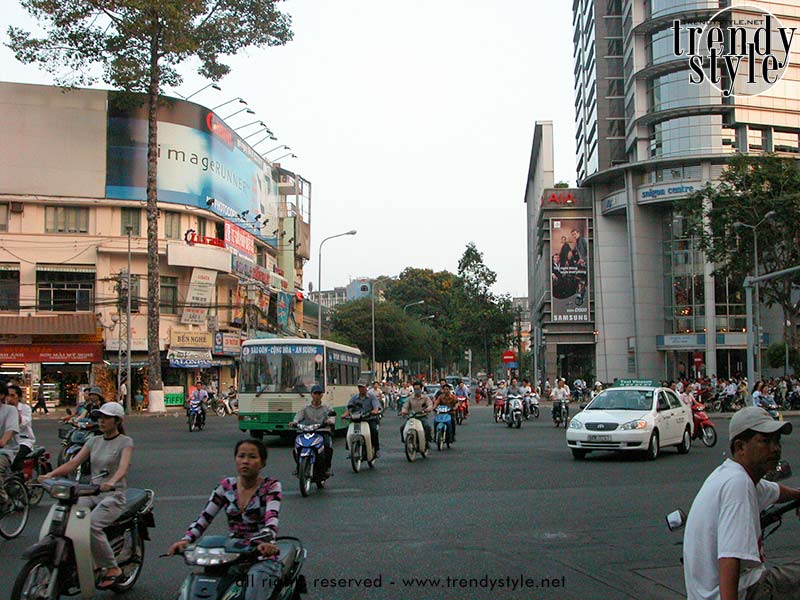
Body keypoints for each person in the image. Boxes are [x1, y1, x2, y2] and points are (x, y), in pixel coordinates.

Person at [683, 407, 800, 600]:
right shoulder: (738, 484)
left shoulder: (731, 475)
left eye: (777, 441)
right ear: (740, 447)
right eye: (765, 441)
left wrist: (797, 496)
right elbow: (730, 558)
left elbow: (775, 491)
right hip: (748, 592)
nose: (775, 448)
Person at [168, 439, 282, 600]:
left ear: (262, 463)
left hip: (261, 555)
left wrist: (264, 543)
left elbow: (271, 521)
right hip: (230, 553)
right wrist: (186, 539)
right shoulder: (226, 486)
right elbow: (204, 518)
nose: (245, 461)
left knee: (253, 593)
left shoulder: (271, 486)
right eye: (241, 456)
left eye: (252, 457)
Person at [40, 402, 133, 589]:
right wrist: (50, 475)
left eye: (106, 418)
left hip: (113, 495)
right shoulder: (93, 441)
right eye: (99, 417)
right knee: (66, 519)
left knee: (91, 526)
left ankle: (112, 568)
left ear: (117, 421)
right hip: (91, 491)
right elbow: (73, 464)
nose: (101, 421)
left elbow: (123, 467)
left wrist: (112, 482)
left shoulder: (125, 442)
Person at [288, 385, 335, 477]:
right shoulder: (305, 407)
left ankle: (327, 468)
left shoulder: (326, 407)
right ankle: (299, 467)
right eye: (315, 393)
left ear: (322, 395)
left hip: (322, 431)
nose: (317, 396)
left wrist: (330, 421)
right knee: (297, 446)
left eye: (319, 393)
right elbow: (298, 417)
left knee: (327, 447)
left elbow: (331, 417)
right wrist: (294, 422)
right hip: (307, 431)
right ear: (311, 395)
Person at [344, 380, 382, 458]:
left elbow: (376, 407)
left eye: (363, 387)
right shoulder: (354, 398)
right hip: (357, 419)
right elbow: (349, 408)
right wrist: (345, 414)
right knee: (348, 431)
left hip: (370, 419)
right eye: (359, 387)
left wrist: (375, 411)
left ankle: (377, 449)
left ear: (366, 388)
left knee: (374, 431)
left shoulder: (372, 397)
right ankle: (350, 449)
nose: (361, 389)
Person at [0, 381, 20, 511]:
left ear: (1, 395)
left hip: (6, 451)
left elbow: (10, 431)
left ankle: (3, 499)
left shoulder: (10, 410)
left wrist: (2, 441)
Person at [6, 385, 35, 471]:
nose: (9, 398)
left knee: (16, 459)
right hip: (8, 442)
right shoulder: (4, 409)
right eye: (7, 395)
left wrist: (14, 409)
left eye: (12, 395)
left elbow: (22, 424)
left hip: (24, 441)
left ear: (18, 397)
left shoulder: (25, 408)